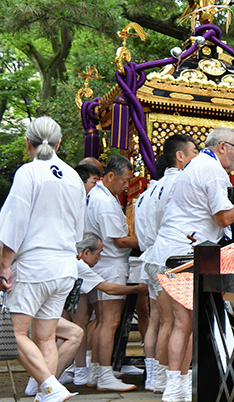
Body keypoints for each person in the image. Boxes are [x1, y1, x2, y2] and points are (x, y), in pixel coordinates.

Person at [142, 126, 234, 402]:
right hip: (184, 254)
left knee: (176, 322)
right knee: (184, 322)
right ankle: (175, 385)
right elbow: (223, 219)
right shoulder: (212, 169)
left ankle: (173, 382)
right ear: (223, 146)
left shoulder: (195, 165)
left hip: (166, 251)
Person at [0, 116, 86, 402]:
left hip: (35, 264)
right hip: (64, 264)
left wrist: (4, 265)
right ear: (59, 143)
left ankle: (50, 387)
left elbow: (15, 222)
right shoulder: (74, 176)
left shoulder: (28, 172)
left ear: (28, 143)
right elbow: (78, 229)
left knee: (15, 334)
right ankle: (46, 395)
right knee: (46, 337)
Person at [136, 135, 198, 392]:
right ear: (180, 155)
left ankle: (156, 377)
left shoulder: (152, 187)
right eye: (195, 151)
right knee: (173, 322)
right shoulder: (180, 183)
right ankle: (165, 379)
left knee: (158, 320)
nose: (198, 157)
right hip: (169, 255)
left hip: (152, 254)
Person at [84, 154, 137, 391]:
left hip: (105, 264)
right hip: (110, 265)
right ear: (110, 176)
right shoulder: (104, 201)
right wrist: (151, 240)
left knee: (101, 321)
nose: (127, 185)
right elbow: (120, 240)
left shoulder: (103, 195)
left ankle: (97, 371)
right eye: (125, 180)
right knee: (109, 321)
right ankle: (104, 373)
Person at [66, 233, 147, 386]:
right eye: (99, 253)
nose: (100, 258)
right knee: (75, 331)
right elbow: (109, 289)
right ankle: (86, 373)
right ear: (86, 253)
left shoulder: (74, 261)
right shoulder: (79, 265)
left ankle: (86, 372)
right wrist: (137, 289)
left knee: (74, 327)